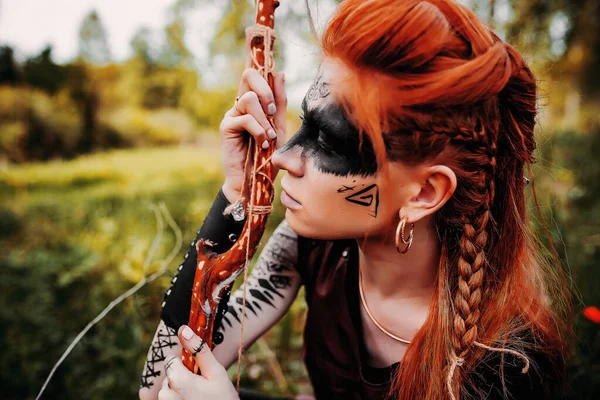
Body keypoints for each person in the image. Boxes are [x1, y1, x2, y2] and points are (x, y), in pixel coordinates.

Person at [139, 0, 572, 399]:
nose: (284, 157)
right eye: (305, 122)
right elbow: (159, 385)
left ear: (423, 193)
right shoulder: (311, 246)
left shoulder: (506, 369)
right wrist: (238, 191)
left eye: (328, 140)